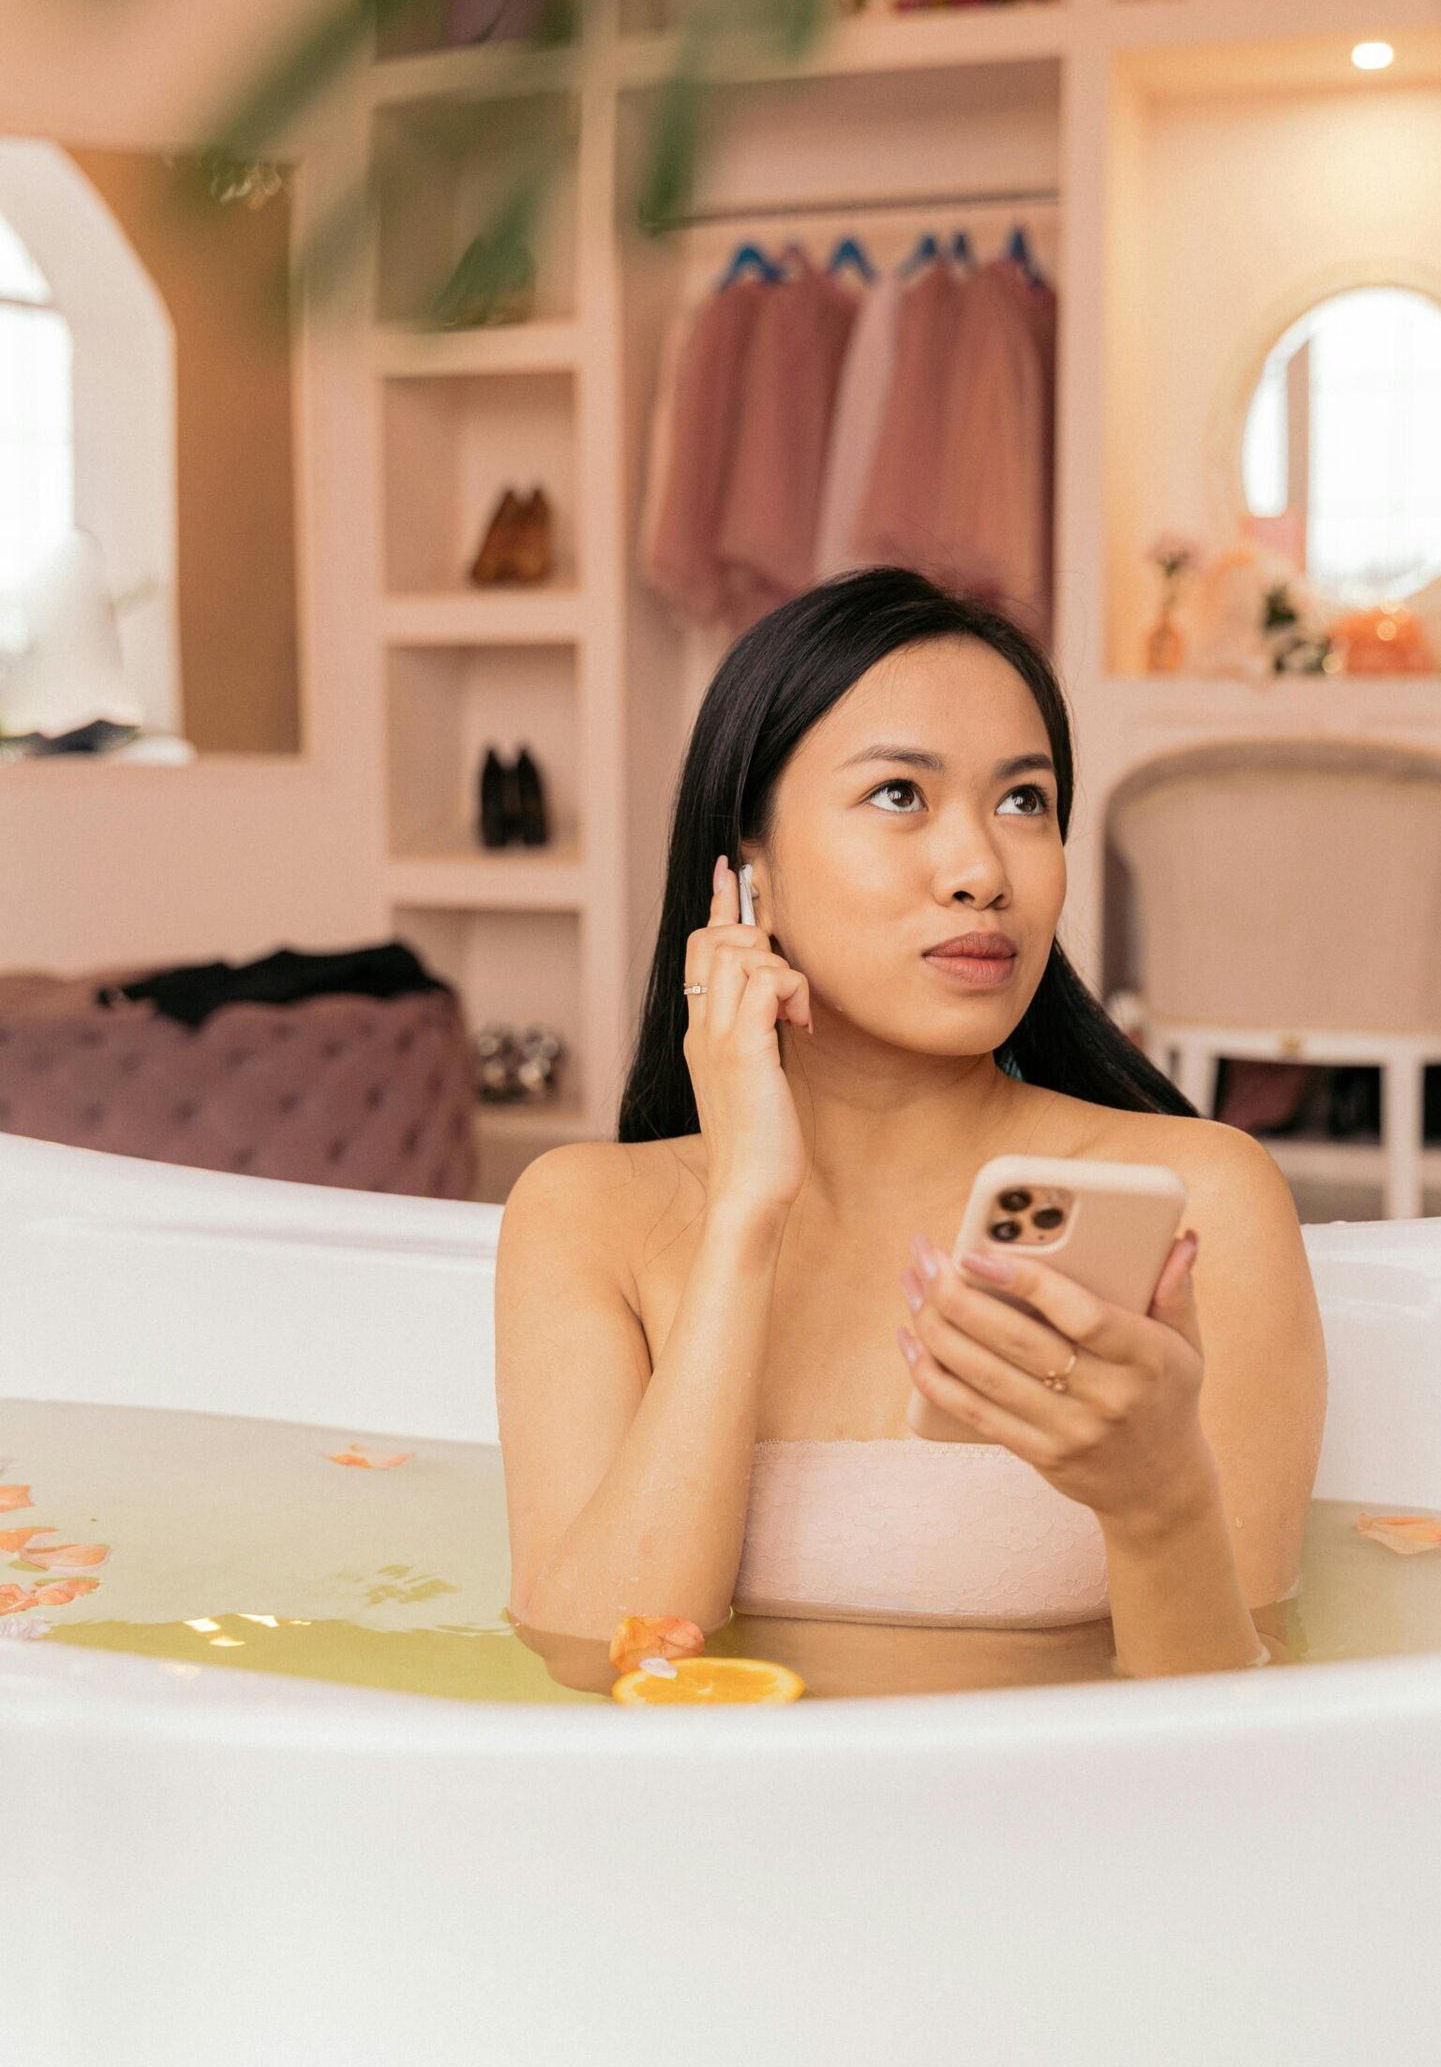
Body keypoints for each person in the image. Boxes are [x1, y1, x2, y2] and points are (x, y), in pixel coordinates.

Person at [496, 568, 1326, 1681]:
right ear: (750, 871)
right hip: (710, 1844)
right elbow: (600, 1663)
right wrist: (745, 1212)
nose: (983, 870)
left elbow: (1248, 1741)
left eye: (1024, 801)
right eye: (899, 794)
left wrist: (1158, 1499)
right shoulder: (589, 1215)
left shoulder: (1199, 1201)